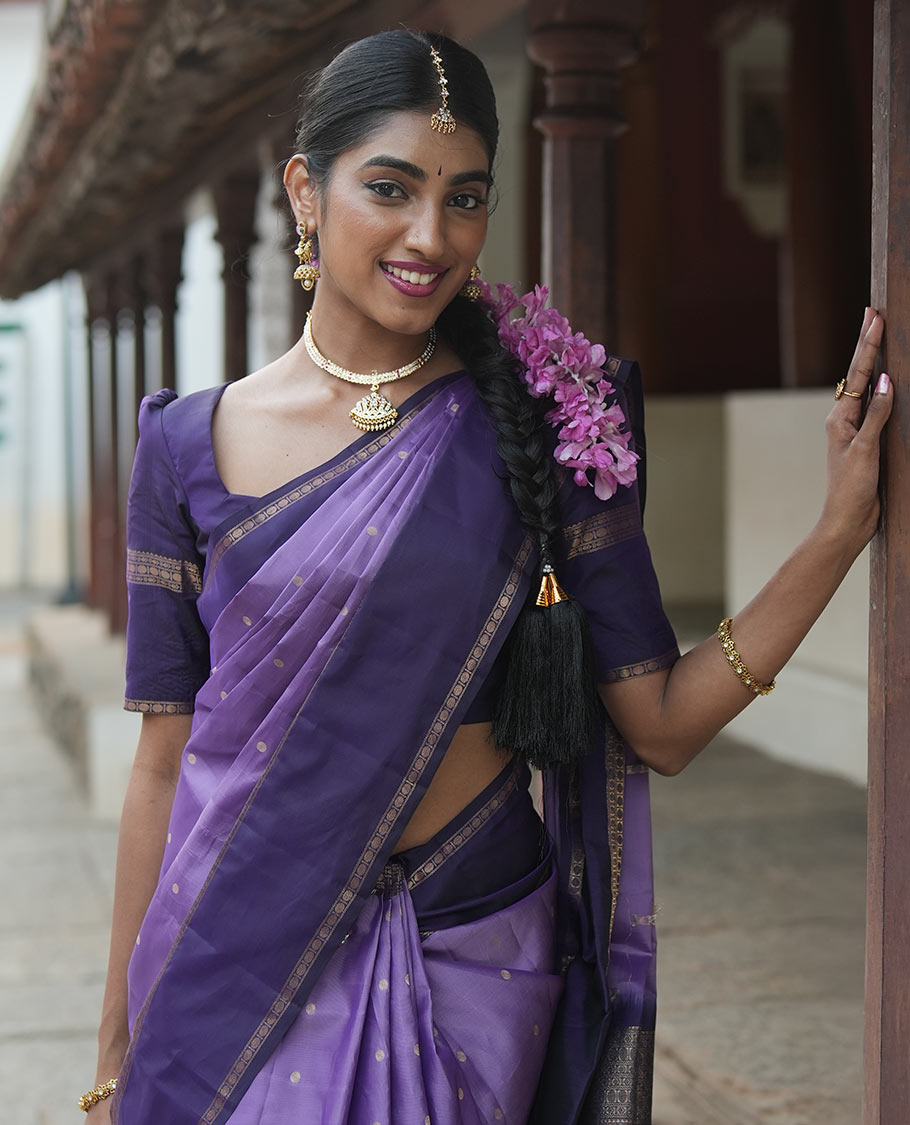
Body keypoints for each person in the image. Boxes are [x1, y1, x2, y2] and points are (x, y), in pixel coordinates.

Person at [80, 28, 891, 1125]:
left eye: (464, 198)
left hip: (473, 945)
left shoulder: (550, 421)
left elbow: (659, 725)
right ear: (305, 192)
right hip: (236, 961)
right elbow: (162, 760)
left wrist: (836, 532)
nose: (430, 235)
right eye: (390, 188)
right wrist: (116, 1038)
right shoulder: (185, 446)